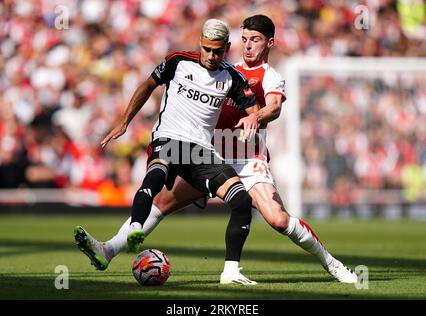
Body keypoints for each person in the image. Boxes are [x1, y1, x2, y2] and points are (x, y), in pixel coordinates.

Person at [75, 15, 358, 284]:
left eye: (255, 39)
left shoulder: (269, 76)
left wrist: (255, 117)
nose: (248, 45)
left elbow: (273, 108)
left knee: (278, 219)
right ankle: (108, 250)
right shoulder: (221, 68)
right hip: (210, 155)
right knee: (161, 204)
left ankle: (332, 264)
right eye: (245, 38)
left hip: (247, 159)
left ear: (269, 43)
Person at [75, 18, 265, 285]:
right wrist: (124, 122)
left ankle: (231, 272)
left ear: (227, 48)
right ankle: (135, 231)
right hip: (169, 139)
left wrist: (253, 121)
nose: (212, 56)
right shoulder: (178, 61)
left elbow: (256, 113)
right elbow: (147, 86)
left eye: (218, 51)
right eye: (208, 49)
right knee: (154, 179)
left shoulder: (232, 78)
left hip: (201, 151)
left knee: (241, 201)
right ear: (200, 42)